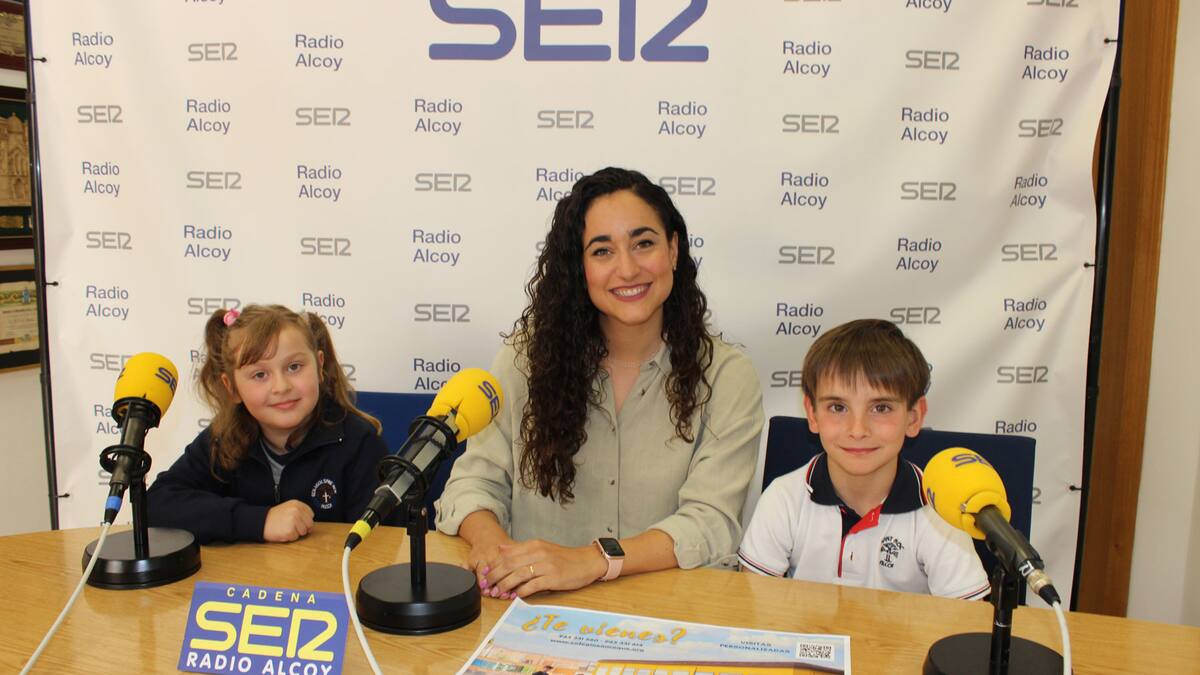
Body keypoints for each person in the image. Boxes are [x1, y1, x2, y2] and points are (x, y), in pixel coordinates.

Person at [435, 167, 764, 599]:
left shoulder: (727, 376)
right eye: (602, 251)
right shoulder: (522, 362)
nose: (627, 269)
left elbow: (711, 520)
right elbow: (474, 484)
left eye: (643, 243)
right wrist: (494, 550)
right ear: (579, 267)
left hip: (670, 618)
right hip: (534, 611)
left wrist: (592, 560)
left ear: (673, 249)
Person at [738, 319, 989, 599]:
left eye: (880, 408)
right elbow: (755, 612)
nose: (857, 430)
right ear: (812, 414)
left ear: (914, 417)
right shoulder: (784, 499)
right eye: (838, 407)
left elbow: (966, 625)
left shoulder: (938, 512)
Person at [147, 304, 390, 544]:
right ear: (231, 388)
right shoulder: (223, 439)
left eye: (294, 367)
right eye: (260, 375)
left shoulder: (360, 444)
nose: (281, 386)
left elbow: (382, 544)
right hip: (250, 580)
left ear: (319, 366)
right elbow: (157, 505)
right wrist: (259, 521)